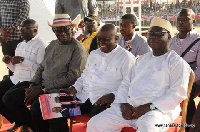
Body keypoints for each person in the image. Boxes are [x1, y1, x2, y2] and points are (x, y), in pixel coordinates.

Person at [87, 17, 191, 132]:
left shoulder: (176, 62)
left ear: (169, 37)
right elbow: (126, 84)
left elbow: (177, 93)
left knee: (148, 129)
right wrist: (124, 104)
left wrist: (148, 107)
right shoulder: (142, 60)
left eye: (158, 33)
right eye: (151, 33)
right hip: (130, 107)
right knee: (95, 124)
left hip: (157, 111)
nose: (153, 37)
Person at [3, 14, 88, 132]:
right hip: (42, 86)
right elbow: (42, 67)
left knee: (38, 108)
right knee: (10, 97)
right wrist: (33, 84)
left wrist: (42, 88)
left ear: (72, 28)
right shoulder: (53, 44)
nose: (62, 33)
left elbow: (72, 77)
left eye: (66, 29)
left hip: (65, 91)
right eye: (58, 30)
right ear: (54, 31)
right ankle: (33, 127)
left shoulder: (78, 49)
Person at [67, 24, 135, 117]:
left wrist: (113, 95)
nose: (101, 42)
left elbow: (130, 85)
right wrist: (75, 87)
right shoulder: (94, 54)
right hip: (85, 97)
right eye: (98, 39)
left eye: (105, 39)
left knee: (95, 119)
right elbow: (85, 75)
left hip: (106, 100)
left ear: (116, 38)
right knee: (57, 109)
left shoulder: (126, 58)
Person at [0, 19, 47, 131]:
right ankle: (19, 120)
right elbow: (16, 69)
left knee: (9, 98)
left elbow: (40, 71)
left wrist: (22, 60)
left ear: (34, 30)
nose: (21, 33)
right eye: (20, 30)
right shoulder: (20, 45)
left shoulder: (41, 45)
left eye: (24, 31)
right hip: (17, 78)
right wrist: (9, 63)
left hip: (30, 80)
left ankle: (29, 124)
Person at [169, 8, 200, 132]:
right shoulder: (171, 41)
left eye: (185, 19)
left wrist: (187, 80)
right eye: (179, 20)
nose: (181, 22)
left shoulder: (198, 40)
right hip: (174, 77)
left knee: (187, 95)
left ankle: (189, 126)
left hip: (193, 79)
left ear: (193, 20)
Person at [0, 0, 30, 76]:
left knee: (19, 63)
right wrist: (1, 30)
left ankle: (19, 83)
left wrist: (9, 30)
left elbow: (23, 17)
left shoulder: (23, 1)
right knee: (8, 62)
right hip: (5, 39)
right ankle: (11, 81)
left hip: (18, 39)